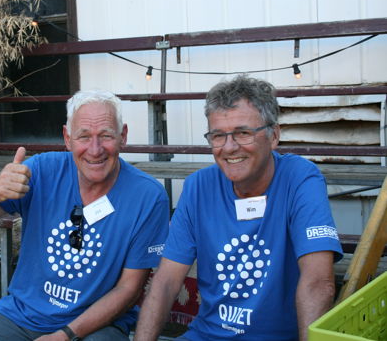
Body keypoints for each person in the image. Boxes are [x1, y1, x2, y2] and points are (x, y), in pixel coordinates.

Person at [135, 75, 343, 341]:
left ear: (274, 135)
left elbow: (318, 282)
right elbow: (165, 282)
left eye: (243, 132)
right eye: (218, 135)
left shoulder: (300, 178)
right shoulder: (198, 186)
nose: (229, 147)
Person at [0, 90, 170, 341]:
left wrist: (65, 335)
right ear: (67, 138)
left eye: (106, 135)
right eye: (84, 136)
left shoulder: (147, 196)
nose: (95, 149)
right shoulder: (43, 170)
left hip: (95, 326)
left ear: (123, 136)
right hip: (21, 316)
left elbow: (129, 289)